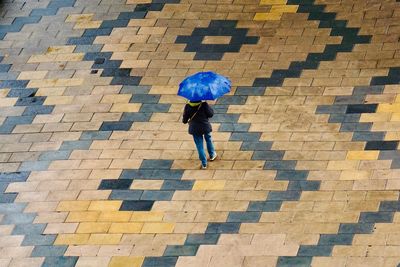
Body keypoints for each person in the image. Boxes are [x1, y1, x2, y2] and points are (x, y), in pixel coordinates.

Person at [182, 100, 217, 169]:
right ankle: (212, 154)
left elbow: (184, 121)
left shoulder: (187, 106)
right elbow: (211, 114)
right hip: (205, 126)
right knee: (208, 139)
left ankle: (204, 163)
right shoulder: (204, 104)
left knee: (199, 145)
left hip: (195, 129)